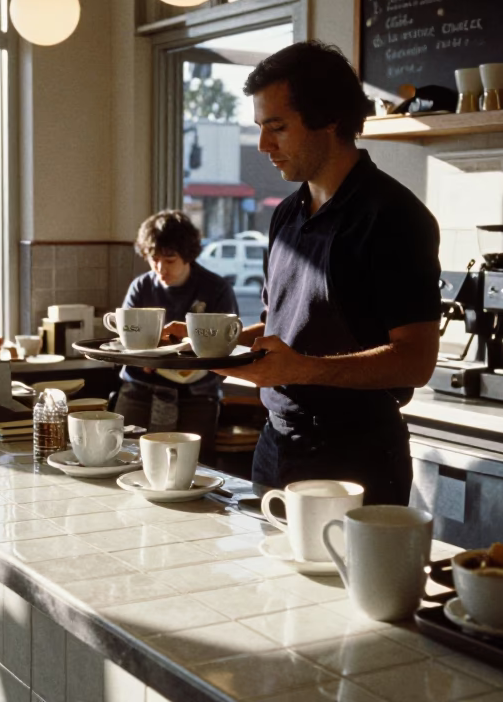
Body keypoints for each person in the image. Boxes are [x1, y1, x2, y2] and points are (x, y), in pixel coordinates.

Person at [174, 41, 441, 505]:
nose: (263, 146)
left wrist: (301, 368)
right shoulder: (286, 214)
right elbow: (283, 327)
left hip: (356, 454)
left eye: (277, 127)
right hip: (275, 443)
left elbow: (417, 360)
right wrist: (212, 341)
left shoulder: (393, 215)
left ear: (331, 118)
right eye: (260, 128)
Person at [115, 210, 238, 461]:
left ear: (188, 255)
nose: (160, 268)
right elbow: (123, 339)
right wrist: (142, 358)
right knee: (125, 459)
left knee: (193, 467)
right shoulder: (141, 286)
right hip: (140, 389)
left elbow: (227, 345)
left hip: (197, 395)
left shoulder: (215, 289)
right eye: (154, 259)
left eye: (170, 260)